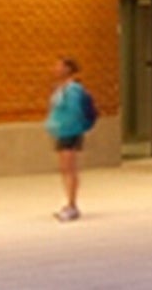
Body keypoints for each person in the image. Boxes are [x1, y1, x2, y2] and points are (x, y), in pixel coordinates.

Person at [46, 56, 95, 221]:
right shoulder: (59, 88)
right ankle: (69, 202)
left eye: (58, 66)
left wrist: (72, 128)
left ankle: (72, 204)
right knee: (64, 169)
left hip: (70, 131)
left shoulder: (73, 89)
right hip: (61, 131)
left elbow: (73, 112)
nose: (55, 68)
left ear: (67, 69)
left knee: (70, 168)